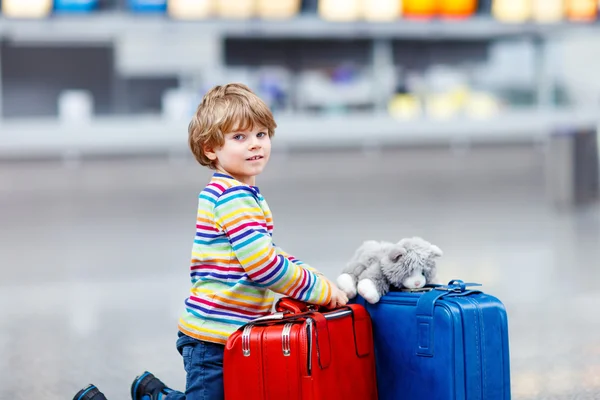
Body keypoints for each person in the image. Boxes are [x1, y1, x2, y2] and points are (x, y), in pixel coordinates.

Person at [73, 83, 348, 400]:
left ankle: (153, 393)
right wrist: (322, 291)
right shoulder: (233, 198)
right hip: (212, 337)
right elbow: (265, 268)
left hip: (230, 334)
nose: (254, 145)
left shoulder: (237, 193)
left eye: (261, 134)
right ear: (210, 149)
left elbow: (268, 252)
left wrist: (315, 277)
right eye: (239, 137)